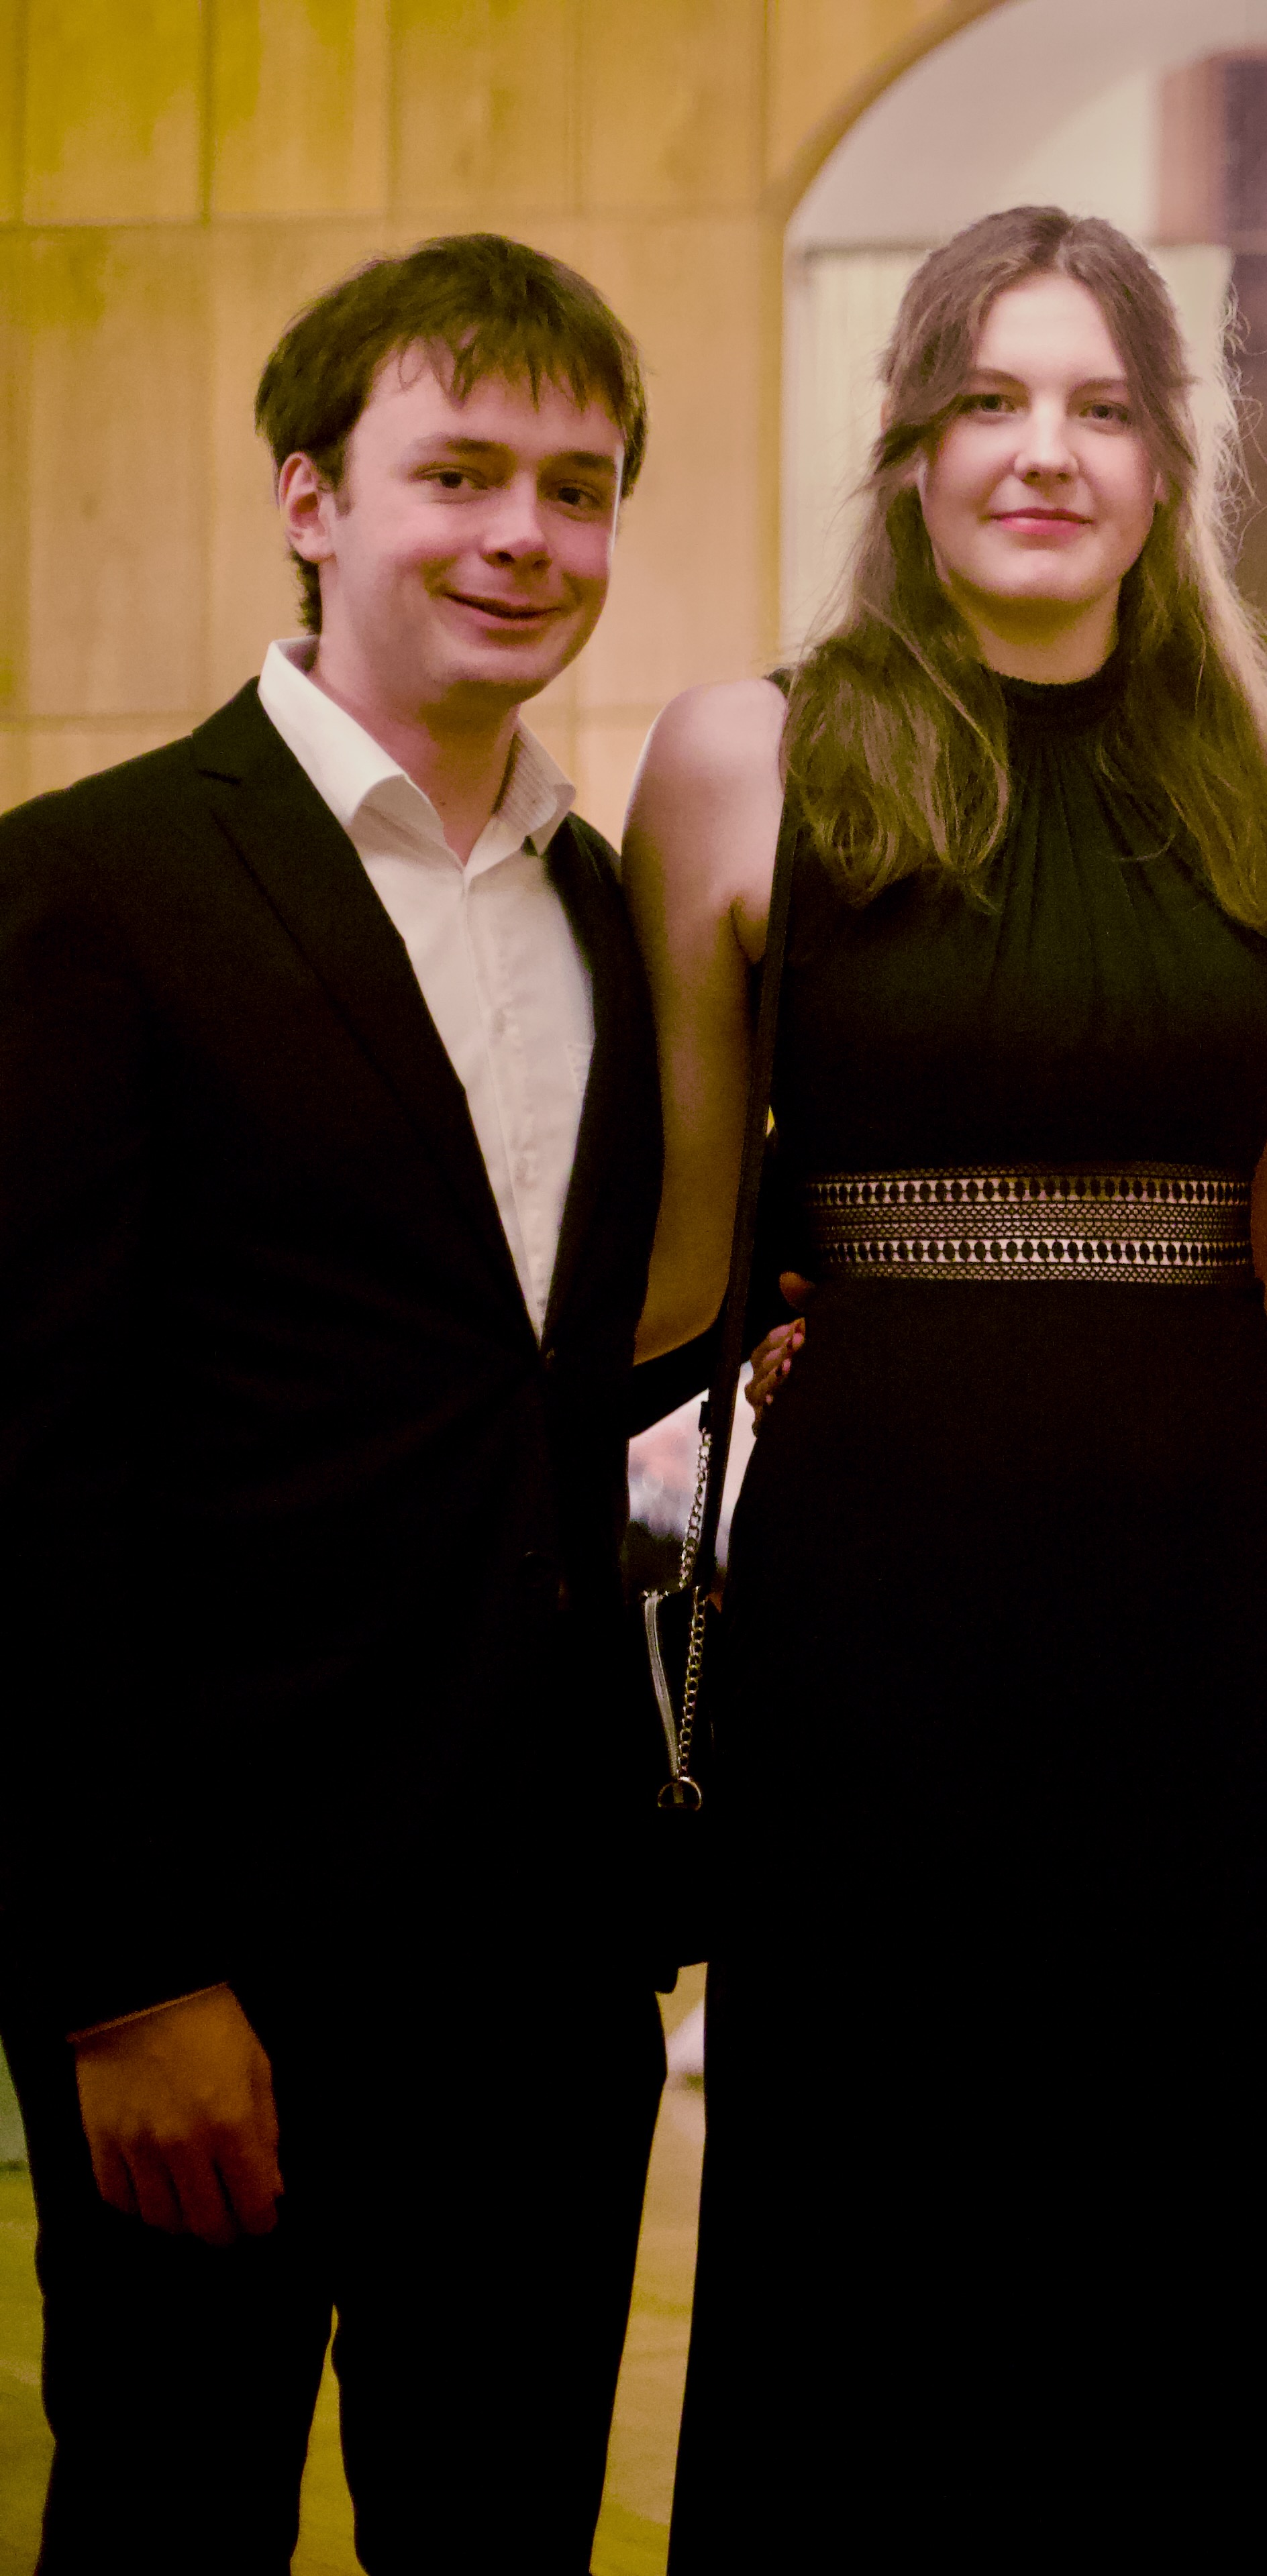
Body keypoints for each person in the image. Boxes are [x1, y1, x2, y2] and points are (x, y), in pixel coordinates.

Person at [623, 207, 1267, 2561]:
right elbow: (676, 1259)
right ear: (911, 444)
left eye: (1099, 408)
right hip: (885, 1594)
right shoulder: (747, 754)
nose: (1043, 453)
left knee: (1220, 2187)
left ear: (1170, 466)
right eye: (991, 400)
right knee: (890, 2193)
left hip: (1213, 1593)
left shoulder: (1263, 784)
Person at [0, 235, 675, 2563]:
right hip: (219, 1958)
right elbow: (27, 1471)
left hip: (547, 1960)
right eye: (457, 473)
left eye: (577, 490)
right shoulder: (86, 890)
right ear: (310, 498)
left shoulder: (606, 908)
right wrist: (122, 1977)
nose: (524, 536)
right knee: (166, 2521)